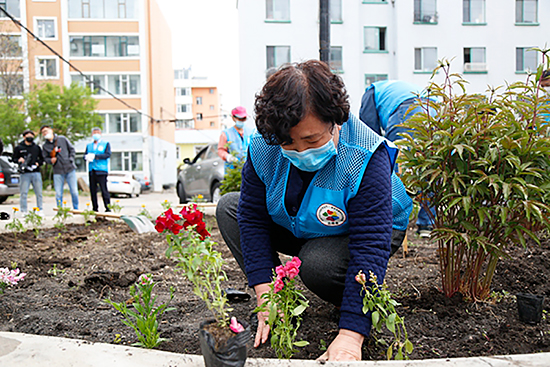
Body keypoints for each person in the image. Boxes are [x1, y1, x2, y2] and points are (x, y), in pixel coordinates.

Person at [216, 60, 412, 361]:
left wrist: (350, 335)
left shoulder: (366, 155)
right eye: (288, 143)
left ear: (335, 121)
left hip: (365, 231)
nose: (301, 152)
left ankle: (348, 301)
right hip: (305, 224)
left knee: (317, 264)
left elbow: (369, 244)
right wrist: (265, 293)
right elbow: (253, 218)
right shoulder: (263, 146)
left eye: (312, 140)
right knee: (230, 208)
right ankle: (281, 303)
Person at [359, 80, 435, 237]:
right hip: (433, 110)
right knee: (431, 168)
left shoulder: (371, 91)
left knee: (390, 166)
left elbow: (368, 135)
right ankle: (427, 224)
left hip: (405, 110)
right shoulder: (393, 89)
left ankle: (390, 222)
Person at [40, 124, 79, 210]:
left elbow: (72, 149)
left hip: (69, 168)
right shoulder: (45, 146)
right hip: (57, 170)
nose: (45, 133)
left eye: (46, 131)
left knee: (74, 191)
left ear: (51, 130)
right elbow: (45, 158)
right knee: (58, 193)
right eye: (43, 132)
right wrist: (50, 161)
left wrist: (70, 159)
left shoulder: (62, 139)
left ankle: (76, 209)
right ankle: (60, 210)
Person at [13, 129, 44, 213]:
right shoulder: (19, 148)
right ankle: (23, 210)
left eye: (31, 135)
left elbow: (42, 159)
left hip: (36, 172)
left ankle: (40, 209)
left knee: (39, 193)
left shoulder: (36, 147)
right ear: (24, 137)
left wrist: (38, 163)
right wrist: (19, 160)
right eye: (28, 135)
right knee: (23, 193)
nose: (30, 137)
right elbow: (14, 159)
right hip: (25, 173)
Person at [217, 106, 253, 171]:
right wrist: (227, 156)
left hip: (248, 169)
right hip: (233, 170)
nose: (242, 121)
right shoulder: (226, 134)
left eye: (244, 119)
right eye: (240, 119)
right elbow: (221, 150)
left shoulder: (251, 132)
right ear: (233, 118)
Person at [84, 127, 111, 212]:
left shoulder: (105, 144)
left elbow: (107, 154)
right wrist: (87, 157)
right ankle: (95, 208)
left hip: (101, 170)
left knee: (104, 190)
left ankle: (108, 207)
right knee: (93, 190)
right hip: (92, 170)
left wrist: (96, 156)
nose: (96, 134)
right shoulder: (89, 145)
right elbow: (85, 155)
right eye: (94, 133)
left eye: (97, 132)